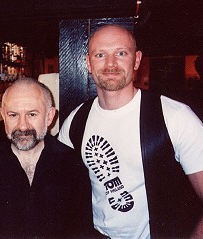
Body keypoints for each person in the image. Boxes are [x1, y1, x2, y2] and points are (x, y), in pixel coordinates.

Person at [58, 24, 203, 238]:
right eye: (100, 55)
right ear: (88, 63)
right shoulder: (76, 120)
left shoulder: (175, 117)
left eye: (121, 53)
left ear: (136, 60)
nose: (110, 64)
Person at [0, 77, 96, 238]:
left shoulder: (71, 165)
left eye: (32, 114)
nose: (23, 126)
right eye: (13, 115)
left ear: (49, 117)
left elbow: (80, 231)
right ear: (3, 116)